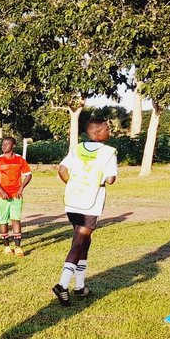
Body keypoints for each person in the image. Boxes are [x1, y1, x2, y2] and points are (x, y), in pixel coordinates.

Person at [53, 119, 118, 305]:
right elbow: (111, 179)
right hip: (90, 203)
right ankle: (62, 284)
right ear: (98, 133)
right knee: (79, 241)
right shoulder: (108, 152)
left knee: (84, 242)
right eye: (107, 129)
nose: (110, 131)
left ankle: (80, 286)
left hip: (73, 200)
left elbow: (62, 169)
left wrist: (74, 184)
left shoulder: (78, 148)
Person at [0, 135, 33, 255]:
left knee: (16, 219)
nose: (4, 146)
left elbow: (28, 175)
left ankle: (18, 247)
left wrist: (21, 188)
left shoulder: (19, 159)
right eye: (3, 144)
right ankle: (7, 246)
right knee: (3, 220)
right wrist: (2, 192)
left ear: (13, 146)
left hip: (16, 195)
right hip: (0, 196)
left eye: (6, 144)